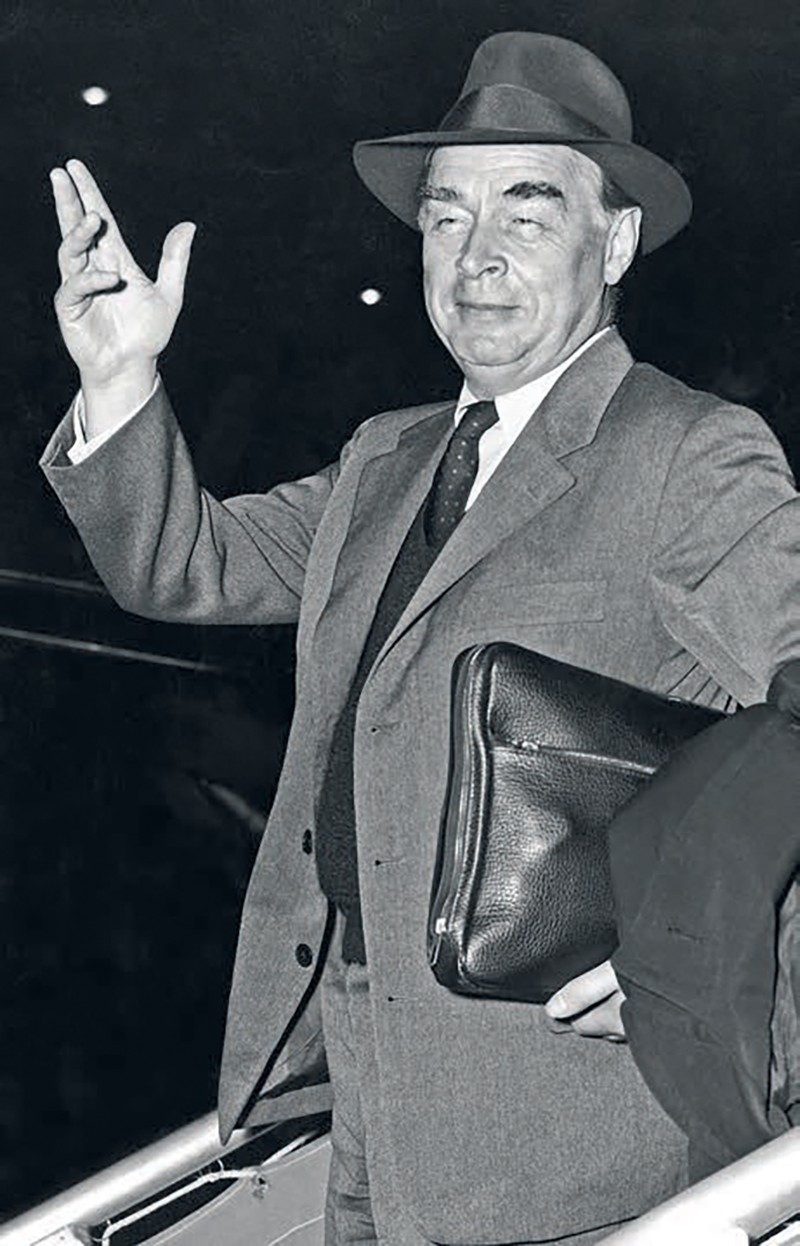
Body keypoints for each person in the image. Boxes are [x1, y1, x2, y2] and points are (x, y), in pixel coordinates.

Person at [42, 30, 800, 1246]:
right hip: (363, 1082)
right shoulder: (384, 458)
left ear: (613, 243)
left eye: (526, 212)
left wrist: (715, 969)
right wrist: (120, 377)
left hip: (568, 1134)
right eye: (446, 216)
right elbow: (184, 564)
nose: (475, 255)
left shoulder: (684, 453)